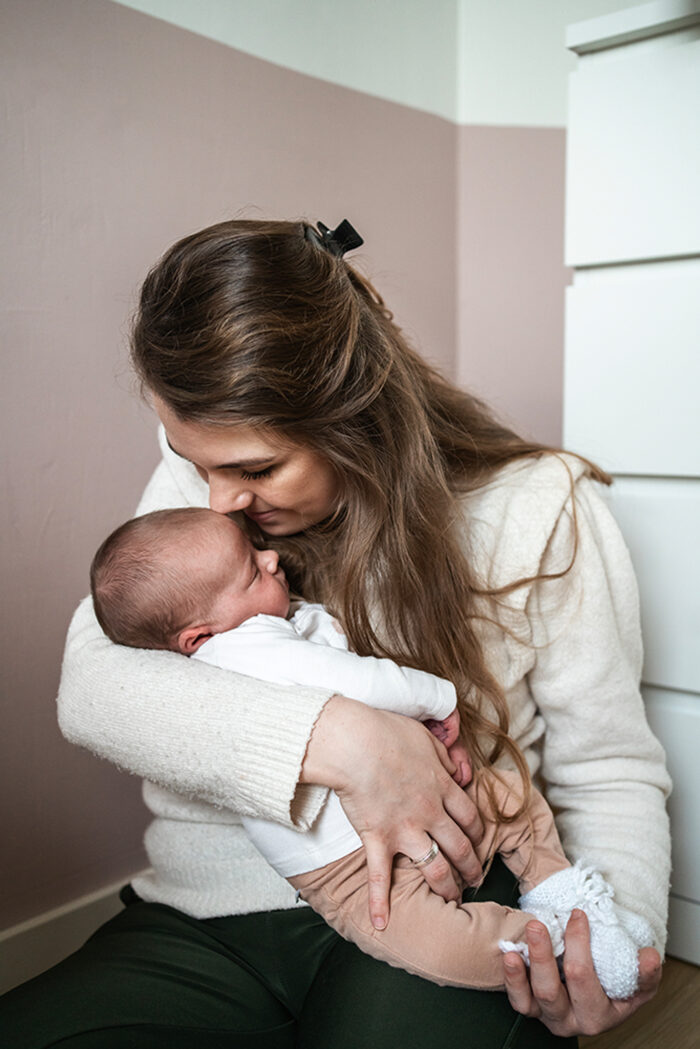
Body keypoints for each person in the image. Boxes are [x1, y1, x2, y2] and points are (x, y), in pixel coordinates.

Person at [1, 218, 670, 1048]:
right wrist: (340, 739)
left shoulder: (539, 508)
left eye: (254, 469)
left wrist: (615, 943)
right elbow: (94, 686)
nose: (218, 502)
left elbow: (608, 766)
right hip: (212, 916)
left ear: (355, 414)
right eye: (191, 458)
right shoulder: (208, 476)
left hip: (443, 899)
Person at [88, 505, 653, 999]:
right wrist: (438, 698)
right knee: (505, 818)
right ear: (199, 637)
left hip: (403, 831)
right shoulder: (245, 648)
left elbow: (611, 761)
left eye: (258, 550)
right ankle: (566, 923)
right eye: (251, 571)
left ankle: (556, 931)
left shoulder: (248, 624)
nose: (271, 559)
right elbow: (360, 681)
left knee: (436, 940)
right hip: (353, 868)